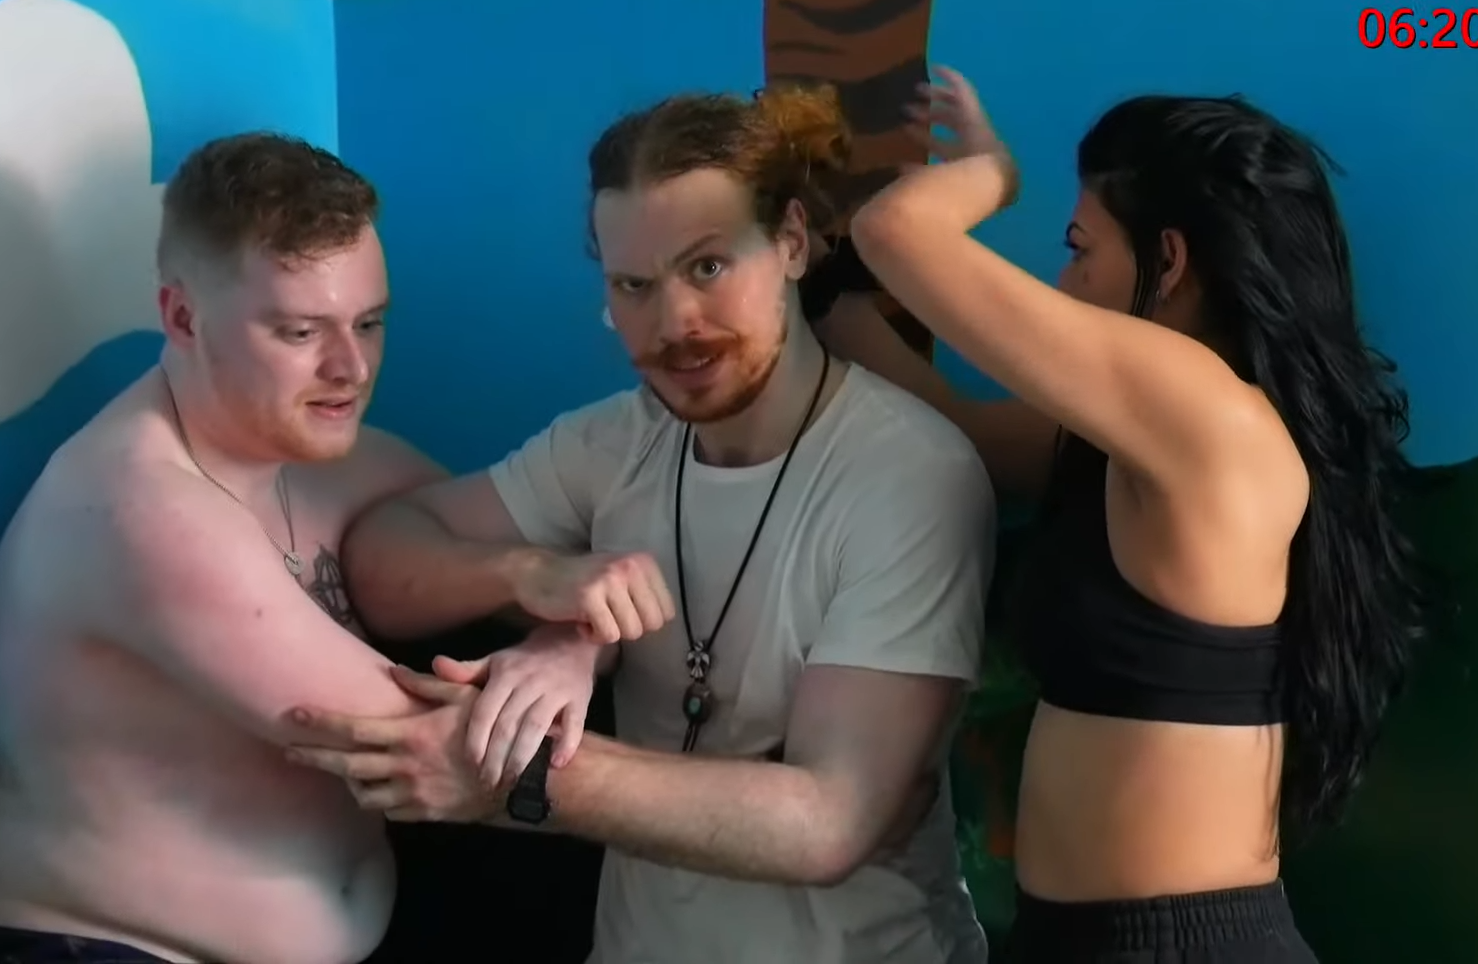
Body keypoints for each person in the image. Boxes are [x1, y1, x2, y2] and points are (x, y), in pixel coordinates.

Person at [285, 85, 999, 964]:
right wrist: (540, 582)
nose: (673, 324)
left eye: (707, 267)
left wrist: (510, 776)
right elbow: (384, 558)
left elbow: (829, 821)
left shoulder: (908, 474)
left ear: (790, 242)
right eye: (633, 286)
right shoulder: (614, 442)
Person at [836, 68, 1423, 962]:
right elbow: (968, 433)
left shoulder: (1204, 410)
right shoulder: (1141, 436)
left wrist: (994, 171)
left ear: (1170, 260)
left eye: (1080, 249)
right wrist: (817, 295)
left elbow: (895, 233)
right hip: (1086, 938)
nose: (1064, 281)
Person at [0, 132, 448, 964]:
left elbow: (533, 530)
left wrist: (561, 626)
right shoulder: (140, 512)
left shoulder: (323, 453)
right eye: (299, 332)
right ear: (183, 317)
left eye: (369, 323)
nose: (351, 368)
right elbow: (439, 748)